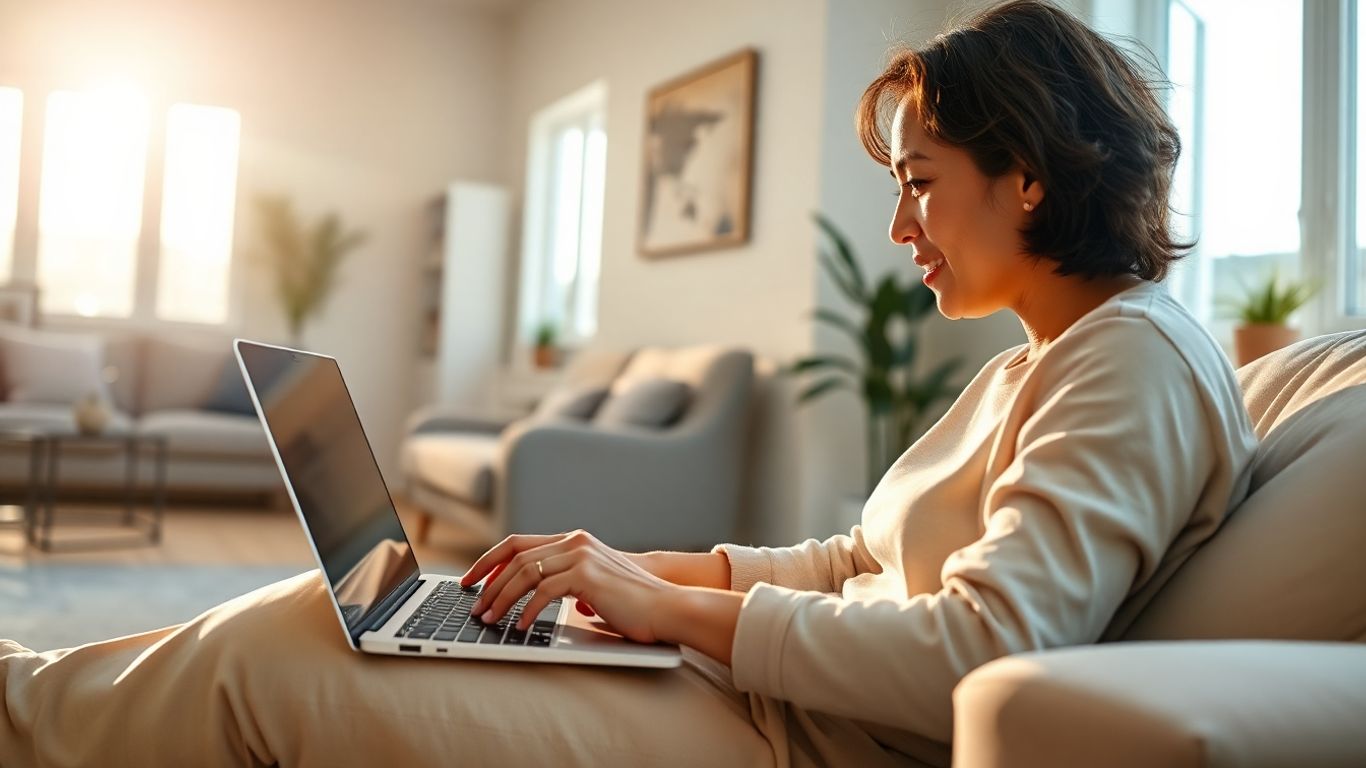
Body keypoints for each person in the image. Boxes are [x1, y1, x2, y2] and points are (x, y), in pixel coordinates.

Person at [0, 2, 1259, 766]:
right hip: (765, 692)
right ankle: (33, 703)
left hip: (802, 742)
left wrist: (668, 616)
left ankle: (25, 713)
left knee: (286, 654)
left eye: (920, 180)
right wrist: (629, 571)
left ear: (1028, 174)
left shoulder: (1128, 361)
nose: (900, 226)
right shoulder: (1044, 361)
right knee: (332, 612)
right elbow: (850, 566)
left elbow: (981, 655)